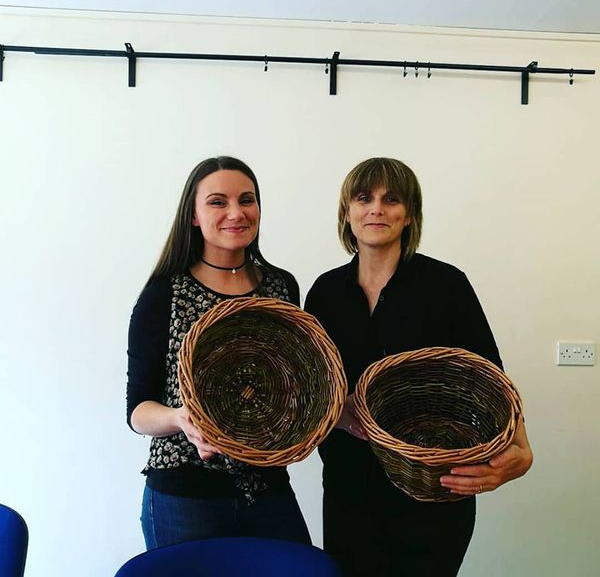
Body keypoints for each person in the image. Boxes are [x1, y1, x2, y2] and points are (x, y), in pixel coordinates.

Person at [304, 157, 533, 577]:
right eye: (363, 198)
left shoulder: (446, 286)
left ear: (409, 214)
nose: (376, 209)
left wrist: (522, 450)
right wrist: (339, 414)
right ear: (347, 212)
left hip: (434, 494)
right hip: (347, 493)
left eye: (391, 199)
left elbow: (490, 379)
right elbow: (310, 390)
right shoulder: (324, 293)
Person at [126, 156, 311, 550]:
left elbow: (292, 381)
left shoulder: (281, 287)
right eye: (217, 202)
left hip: (269, 488)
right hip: (183, 495)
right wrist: (181, 419)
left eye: (247, 200)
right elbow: (138, 411)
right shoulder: (165, 293)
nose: (236, 212)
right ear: (193, 216)